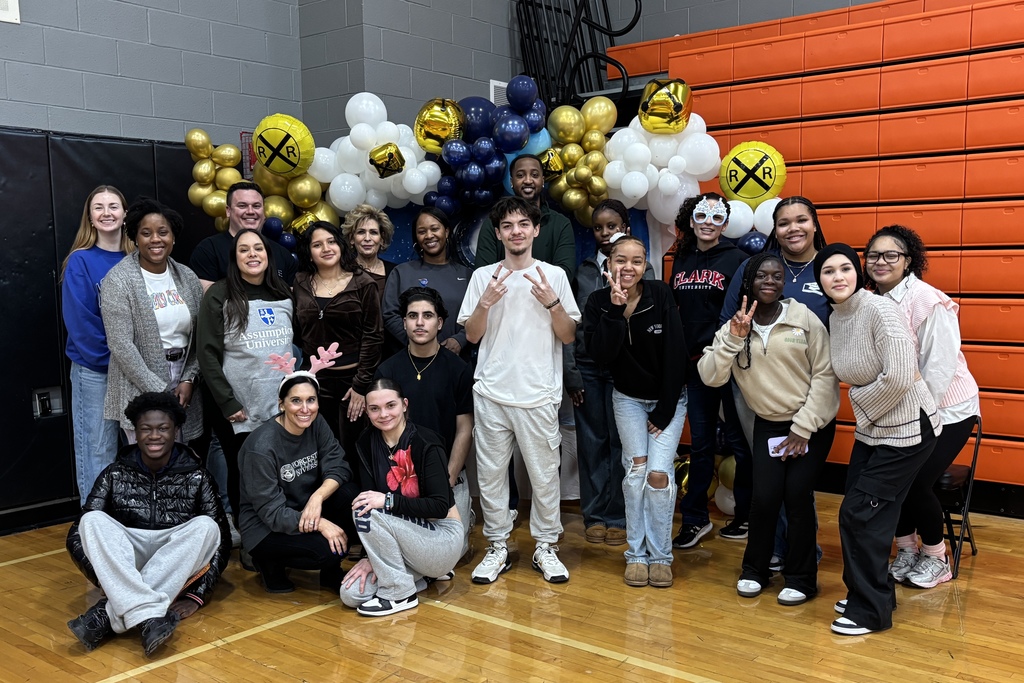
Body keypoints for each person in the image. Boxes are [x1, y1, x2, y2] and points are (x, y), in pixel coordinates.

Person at [813, 243, 941, 636]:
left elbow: (901, 375)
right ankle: (871, 593)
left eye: (846, 269)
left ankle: (870, 612)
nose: (838, 277)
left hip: (907, 430)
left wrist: (858, 400)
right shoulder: (838, 315)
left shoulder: (880, 309)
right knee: (865, 513)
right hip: (874, 430)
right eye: (829, 271)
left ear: (858, 274)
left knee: (859, 514)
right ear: (819, 280)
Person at [699, 253, 838, 605]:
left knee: (797, 498)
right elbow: (710, 375)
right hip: (769, 424)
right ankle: (755, 570)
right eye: (762, 275)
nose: (770, 281)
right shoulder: (736, 324)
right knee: (764, 499)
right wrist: (733, 338)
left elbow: (825, 375)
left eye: (777, 276)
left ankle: (803, 578)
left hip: (811, 423)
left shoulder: (802, 318)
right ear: (749, 281)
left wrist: (803, 428)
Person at [457, 196, 581, 584]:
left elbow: (568, 335)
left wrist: (553, 304)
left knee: (545, 477)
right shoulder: (483, 277)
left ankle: (546, 546)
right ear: (498, 233)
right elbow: (472, 335)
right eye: (508, 226)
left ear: (536, 229)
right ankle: (498, 545)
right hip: (492, 392)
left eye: (523, 224)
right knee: (492, 477)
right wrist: (486, 303)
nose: (516, 231)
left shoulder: (554, 276)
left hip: (539, 394)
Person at [65, 392, 229, 656]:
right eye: (146, 429)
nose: (155, 436)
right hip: (128, 556)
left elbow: (221, 542)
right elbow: (76, 537)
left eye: (163, 428)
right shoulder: (115, 473)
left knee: (208, 528)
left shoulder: (198, 476)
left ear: (176, 431)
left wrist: (196, 596)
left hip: (176, 557)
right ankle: (150, 617)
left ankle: (107, 616)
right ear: (135, 432)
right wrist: (109, 581)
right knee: (90, 520)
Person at [863, 225, 980, 590]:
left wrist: (918, 419)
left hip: (946, 409)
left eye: (891, 255)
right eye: (874, 256)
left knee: (912, 482)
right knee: (887, 482)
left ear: (908, 261)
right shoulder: (871, 301)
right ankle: (907, 550)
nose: (881, 262)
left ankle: (936, 557)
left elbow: (939, 368)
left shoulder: (927, 300)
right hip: (899, 409)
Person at [720, 196, 831, 564]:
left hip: (809, 388)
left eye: (801, 220)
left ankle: (801, 552)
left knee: (798, 481)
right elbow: (729, 322)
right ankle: (776, 548)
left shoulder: (830, 268)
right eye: (783, 223)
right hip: (756, 389)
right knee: (768, 475)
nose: (793, 229)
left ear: (815, 224)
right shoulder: (755, 267)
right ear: (774, 230)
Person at [585, 235, 686, 588]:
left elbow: (676, 353)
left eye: (637, 261)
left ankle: (661, 556)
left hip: (667, 398)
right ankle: (636, 555)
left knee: (659, 475)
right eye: (620, 259)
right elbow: (600, 356)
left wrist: (665, 409)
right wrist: (614, 309)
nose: (628, 267)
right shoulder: (598, 302)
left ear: (646, 266)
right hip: (626, 398)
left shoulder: (660, 294)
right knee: (635, 473)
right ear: (608, 263)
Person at [568, 201, 655, 547]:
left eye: (612, 226)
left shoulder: (644, 273)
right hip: (588, 368)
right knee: (592, 443)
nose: (605, 233)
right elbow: (571, 328)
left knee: (623, 443)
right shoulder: (584, 271)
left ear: (627, 227)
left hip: (625, 370)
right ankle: (595, 514)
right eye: (599, 228)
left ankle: (619, 514)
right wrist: (571, 373)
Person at [340, 379, 463, 616]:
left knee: (365, 508)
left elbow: (439, 506)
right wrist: (371, 557)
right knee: (351, 594)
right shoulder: (366, 442)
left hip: (441, 539)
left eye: (391, 405)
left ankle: (400, 595)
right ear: (366, 410)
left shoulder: (426, 442)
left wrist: (388, 501)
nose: (383, 414)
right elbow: (370, 497)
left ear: (404, 405)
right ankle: (421, 578)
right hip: (402, 540)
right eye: (375, 408)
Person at [197, 229, 294, 518]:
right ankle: (252, 538)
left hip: (279, 405)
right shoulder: (219, 294)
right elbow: (207, 354)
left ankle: (283, 529)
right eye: (244, 250)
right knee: (244, 472)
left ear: (268, 255)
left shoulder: (283, 293)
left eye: (259, 248)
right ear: (234, 258)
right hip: (239, 408)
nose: (252, 254)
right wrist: (228, 402)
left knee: (281, 470)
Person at [669, 193, 748, 548]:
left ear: (725, 225)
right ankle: (696, 519)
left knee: (741, 442)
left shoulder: (738, 260)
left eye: (716, 218)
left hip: (729, 364)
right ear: (691, 219)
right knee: (700, 445)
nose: (708, 222)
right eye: (702, 215)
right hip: (692, 367)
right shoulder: (681, 257)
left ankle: (746, 516)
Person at [374, 287, 474, 557]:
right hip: (401, 475)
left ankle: (467, 515)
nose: (420, 322)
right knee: (407, 550)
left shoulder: (458, 369)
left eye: (427, 315)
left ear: (440, 323)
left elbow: (465, 428)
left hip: (448, 475)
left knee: (453, 554)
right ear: (404, 322)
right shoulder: (388, 371)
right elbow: (382, 431)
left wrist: (449, 476)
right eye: (412, 316)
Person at [237, 371, 353, 593]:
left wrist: (317, 498)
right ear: (281, 404)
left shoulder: (316, 423)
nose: (305, 409)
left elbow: (338, 465)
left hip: (303, 508)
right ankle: (269, 562)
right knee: (327, 551)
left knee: (350, 496)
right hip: (265, 527)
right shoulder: (261, 447)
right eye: (296, 401)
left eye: (311, 400)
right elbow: (272, 514)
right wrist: (320, 524)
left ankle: (331, 574)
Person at [101, 197, 204, 444]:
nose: (155, 239)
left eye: (163, 232)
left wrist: (189, 378)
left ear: (173, 237)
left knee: (182, 461)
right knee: (149, 461)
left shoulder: (187, 277)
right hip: (138, 381)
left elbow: (201, 336)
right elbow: (120, 344)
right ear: (135, 238)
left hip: (184, 382)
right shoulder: (118, 280)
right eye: (146, 233)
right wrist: (157, 390)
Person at [61, 185, 134, 502]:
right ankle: (95, 533)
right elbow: (82, 325)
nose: (107, 213)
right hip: (97, 371)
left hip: (137, 373)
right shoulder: (80, 261)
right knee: (98, 452)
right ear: (90, 218)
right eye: (99, 207)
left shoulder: (138, 260)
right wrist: (121, 362)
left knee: (139, 452)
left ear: (125, 215)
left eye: (114, 206)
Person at [293, 221, 382, 461]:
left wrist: (361, 386)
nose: (326, 248)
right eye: (317, 245)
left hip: (351, 384)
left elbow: (373, 336)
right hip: (314, 382)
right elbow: (297, 331)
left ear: (341, 246)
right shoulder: (300, 283)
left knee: (352, 452)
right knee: (317, 451)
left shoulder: (363, 283)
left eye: (331, 242)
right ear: (309, 254)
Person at [381, 207, 472, 356]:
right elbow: (390, 314)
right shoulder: (401, 273)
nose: (429, 235)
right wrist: (419, 342)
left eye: (435, 229)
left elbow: (477, 315)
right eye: (422, 232)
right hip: (411, 360)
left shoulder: (467, 275)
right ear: (416, 237)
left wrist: (460, 340)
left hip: (457, 360)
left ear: (447, 232)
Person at [474, 154, 576, 281]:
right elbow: (484, 274)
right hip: (503, 299)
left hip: (547, 299)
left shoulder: (560, 224)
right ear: (511, 182)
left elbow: (565, 274)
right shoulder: (494, 223)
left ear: (543, 180)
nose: (528, 180)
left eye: (534, 175)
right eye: (520, 175)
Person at [189, 181, 297, 291]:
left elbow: (291, 301)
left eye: (256, 206)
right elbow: (207, 299)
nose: (250, 211)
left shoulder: (282, 254)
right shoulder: (208, 250)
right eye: (242, 206)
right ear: (228, 211)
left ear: (263, 211)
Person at [341, 203, 396, 297]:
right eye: (361, 232)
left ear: (382, 239)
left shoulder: (395, 272)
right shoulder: (342, 270)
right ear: (351, 239)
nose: (367, 238)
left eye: (373, 232)